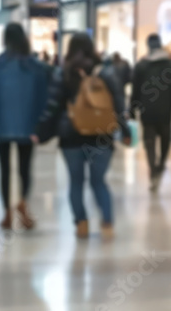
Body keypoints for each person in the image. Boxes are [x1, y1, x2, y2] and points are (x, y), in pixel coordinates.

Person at [34, 34, 130, 239]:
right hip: (101, 134)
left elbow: (52, 105)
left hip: (71, 136)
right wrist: (125, 130)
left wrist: (41, 129)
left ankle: (81, 224)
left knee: (76, 182)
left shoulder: (64, 73)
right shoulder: (106, 73)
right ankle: (107, 224)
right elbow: (119, 105)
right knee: (99, 181)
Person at [0, 23, 49, 230]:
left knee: (4, 170)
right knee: (25, 169)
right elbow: (42, 99)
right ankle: (22, 202)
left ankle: (6, 213)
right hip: (29, 125)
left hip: (2, 126)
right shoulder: (35, 67)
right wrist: (41, 126)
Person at [130, 34, 171, 192]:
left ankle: (153, 170)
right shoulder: (170, 65)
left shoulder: (141, 66)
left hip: (147, 111)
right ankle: (160, 165)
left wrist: (132, 109)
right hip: (165, 111)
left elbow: (135, 90)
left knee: (149, 141)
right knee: (166, 140)